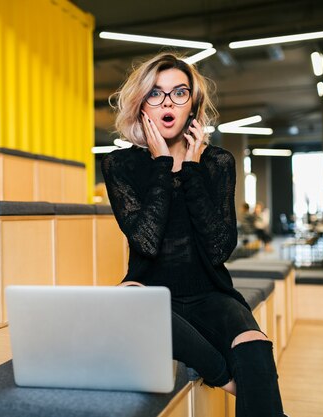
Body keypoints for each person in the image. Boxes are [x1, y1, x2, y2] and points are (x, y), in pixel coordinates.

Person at [102, 53, 286, 417]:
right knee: (126, 300)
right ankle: (223, 374)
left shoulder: (217, 162)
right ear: (142, 106)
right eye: (155, 94)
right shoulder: (119, 164)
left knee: (253, 342)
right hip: (151, 293)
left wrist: (190, 168)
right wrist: (160, 164)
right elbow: (146, 241)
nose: (168, 102)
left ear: (193, 105)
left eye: (179, 93)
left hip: (209, 292)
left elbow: (219, 248)